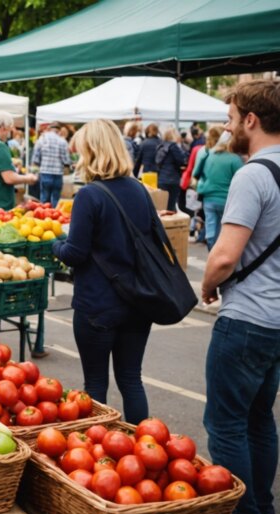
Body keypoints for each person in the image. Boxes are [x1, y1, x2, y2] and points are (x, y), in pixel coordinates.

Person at [201, 79, 280, 514]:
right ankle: (263, 507)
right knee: (259, 418)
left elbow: (226, 255)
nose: (228, 127)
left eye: (231, 118)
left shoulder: (253, 175)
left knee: (226, 422)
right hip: (276, 319)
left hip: (247, 318)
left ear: (251, 119)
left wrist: (208, 284)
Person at [51, 119, 156, 424]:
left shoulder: (89, 195)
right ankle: (141, 440)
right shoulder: (139, 190)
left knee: (96, 383)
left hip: (98, 304)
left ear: (91, 151)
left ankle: (101, 444)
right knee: (131, 379)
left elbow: (75, 254)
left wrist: (53, 244)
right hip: (137, 300)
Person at [193, 125, 243, 250]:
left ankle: (211, 250)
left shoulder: (207, 155)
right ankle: (218, 252)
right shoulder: (235, 159)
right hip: (226, 200)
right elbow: (242, 180)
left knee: (210, 227)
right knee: (223, 231)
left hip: (208, 198)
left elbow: (196, 173)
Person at [32, 123, 73, 207]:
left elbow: (35, 158)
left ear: (49, 129)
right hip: (58, 173)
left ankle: (43, 212)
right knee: (55, 198)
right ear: (59, 130)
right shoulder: (62, 141)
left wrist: (40, 163)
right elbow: (66, 160)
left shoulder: (42, 139)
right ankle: (54, 213)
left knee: (44, 197)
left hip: (45, 172)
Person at [156, 127, 190, 213]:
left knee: (162, 206)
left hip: (161, 179)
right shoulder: (173, 146)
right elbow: (182, 160)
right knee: (170, 207)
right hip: (172, 179)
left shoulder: (161, 146)